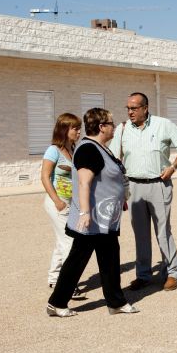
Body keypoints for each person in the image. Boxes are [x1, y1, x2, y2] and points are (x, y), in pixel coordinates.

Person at [47, 108, 138, 317]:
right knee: (77, 260)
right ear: (101, 127)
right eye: (111, 124)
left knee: (110, 260)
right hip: (92, 220)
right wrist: (85, 214)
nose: (114, 127)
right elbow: (84, 182)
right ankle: (57, 303)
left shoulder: (101, 147)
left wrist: (119, 198)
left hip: (105, 219)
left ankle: (115, 302)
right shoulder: (89, 149)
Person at [109, 92, 177, 292]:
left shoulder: (163, 124)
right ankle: (143, 275)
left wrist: (173, 167)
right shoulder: (122, 129)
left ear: (145, 108)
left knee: (163, 232)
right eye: (128, 108)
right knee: (140, 234)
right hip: (134, 186)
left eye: (134, 108)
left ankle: (171, 273)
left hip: (159, 185)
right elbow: (112, 156)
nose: (130, 112)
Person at [40, 113, 85, 299]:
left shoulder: (72, 150)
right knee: (70, 242)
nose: (78, 131)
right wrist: (57, 201)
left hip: (70, 203)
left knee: (61, 241)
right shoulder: (53, 150)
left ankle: (54, 277)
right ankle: (68, 285)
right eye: (75, 128)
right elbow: (44, 176)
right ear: (65, 129)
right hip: (57, 203)